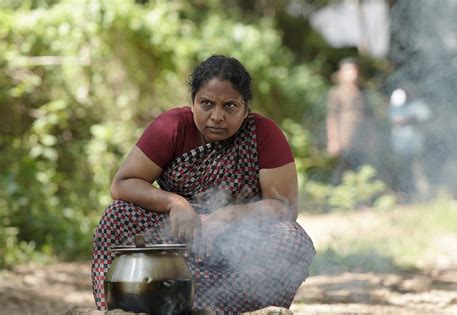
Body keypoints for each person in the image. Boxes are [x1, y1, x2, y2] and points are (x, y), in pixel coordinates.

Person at [91, 55, 316, 313]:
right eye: (206, 104)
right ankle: (125, 308)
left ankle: (242, 311)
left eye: (229, 106)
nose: (217, 116)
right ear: (193, 103)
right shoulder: (172, 126)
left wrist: (228, 216)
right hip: (176, 241)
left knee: (292, 239)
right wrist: (175, 203)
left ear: (245, 109)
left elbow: (284, 205)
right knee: (117, 215)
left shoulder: (263, 134)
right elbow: (123, 183)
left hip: (241, 246)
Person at [326, 58, 375, 184]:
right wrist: (333, 140)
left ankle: (361, 197)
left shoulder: (363, 93)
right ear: (341, 73)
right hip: (344, 138)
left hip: (361, 139)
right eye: (348, 70)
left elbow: (369, 118)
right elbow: (332, 118)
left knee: (361, 168)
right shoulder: (336, 93)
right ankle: (338, 197)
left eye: (354, 70)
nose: (353, 73)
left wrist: (371, 139)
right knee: (342, 169)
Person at [389, 87, 431, 202]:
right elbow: (393, 120)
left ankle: (424, 195)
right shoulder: (395, 106)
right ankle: (405, 195)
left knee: (419, 169)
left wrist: (409, 120)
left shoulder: (418, 105)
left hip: (416, 144)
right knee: (403, 170)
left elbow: (425, 120)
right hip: (400, 146)